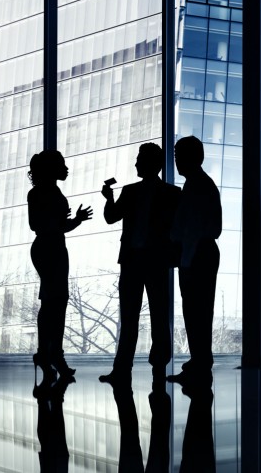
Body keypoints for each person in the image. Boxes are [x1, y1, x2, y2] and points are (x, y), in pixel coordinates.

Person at [99, 143, 181, 383]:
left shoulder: (156, 192)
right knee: (152, 315)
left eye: (139, 160)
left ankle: (128, 369)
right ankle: (152, 368)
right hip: (144, 260)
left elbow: (111, 217)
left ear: (150, 164)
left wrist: (109, 198)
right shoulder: (166, 193)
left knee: (142, 316)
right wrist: (109, 198)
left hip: (141, 260)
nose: (135, 164)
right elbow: (111, 216)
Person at [28, 150, 92, 379]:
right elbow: (37, 224)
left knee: (53, 301)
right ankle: (52, 354)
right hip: (49, 248)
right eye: (61, 164)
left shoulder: (48, 192)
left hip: (52, 247)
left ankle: (47, 353)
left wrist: (76, 220)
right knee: (55, 301)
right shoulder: (38, 194)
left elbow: (56, 225)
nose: (66, 168)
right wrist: (63, 220)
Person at [168, 136, 222, 385]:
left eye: (179, 156)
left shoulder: (197, 186)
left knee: (195, 310)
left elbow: (197, 227)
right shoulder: (201, 184)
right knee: (198, 311)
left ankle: (199, 361)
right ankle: (199, 360)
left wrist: (185, 256)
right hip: (199, 253)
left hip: (197, 254)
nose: (177, 161)